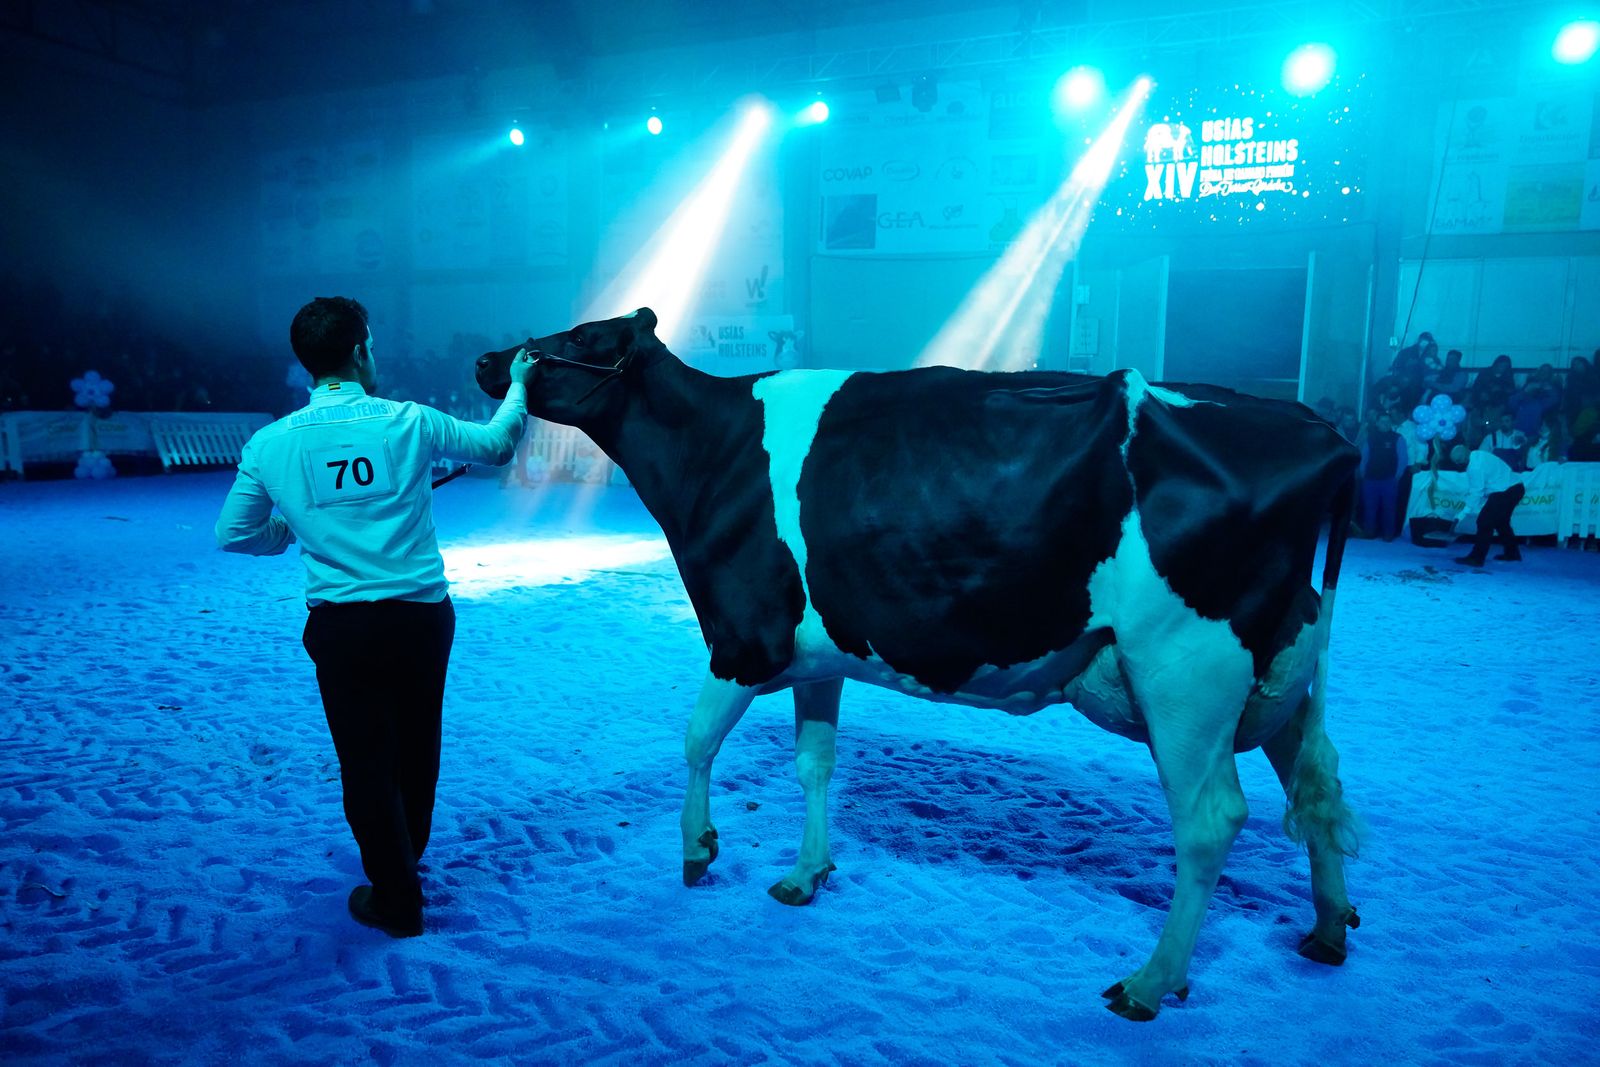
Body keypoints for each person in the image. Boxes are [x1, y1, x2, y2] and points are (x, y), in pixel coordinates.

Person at [215, 296, 535, 937]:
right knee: (418, 746)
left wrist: (288, 528)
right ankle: (404, 862)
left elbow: (234, 534)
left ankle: (395, 895)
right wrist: (520, 385)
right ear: (361, 349)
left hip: (343, 627)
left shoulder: (271, 442)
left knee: (364, 759)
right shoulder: (409, 421)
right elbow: (499, 445)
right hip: (420, 617)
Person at [1451, 444, 1525, 567]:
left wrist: (1462, 513)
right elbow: (1484, 487)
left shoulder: (1474, 467)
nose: (1458, 465)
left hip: (1506, 491)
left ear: (1463, 459)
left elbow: (1476, 492)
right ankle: (1512, 553)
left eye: (1458, 461)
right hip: (1516, 487)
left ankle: (1477, 558)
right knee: (1501, 522)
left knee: (1484, 522)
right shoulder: (1478, 454)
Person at [1359, 411, 1407, 540]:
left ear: (1391, 423)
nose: (1385, 424)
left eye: (1387, 421)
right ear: (1377, 423)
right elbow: (1364, 456)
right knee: (1370, 507)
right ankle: (1369, 532)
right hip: (1370, 479)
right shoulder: (1370, 437)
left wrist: (1397, 476)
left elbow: (1403, 459)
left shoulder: (1398, 438)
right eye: (1382, 421)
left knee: (1389, 508)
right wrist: (1362, 472)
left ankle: (1388, 534)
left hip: (1389, 480)